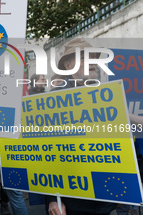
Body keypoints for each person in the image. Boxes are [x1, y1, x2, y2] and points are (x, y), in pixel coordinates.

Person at [46, 38, 117, 215]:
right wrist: (52, 199)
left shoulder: (107, 96)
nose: (93, 62)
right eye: (85, 57)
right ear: (68, 66)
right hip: (71, 204)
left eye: (94, 57)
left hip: (108, 200)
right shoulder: (53, 101)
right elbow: (45, 153)